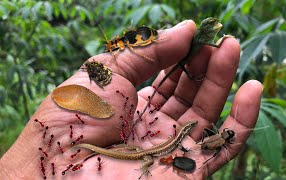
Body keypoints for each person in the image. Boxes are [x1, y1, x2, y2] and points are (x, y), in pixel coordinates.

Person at [0, 20, 262, 179]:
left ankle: (113, 153)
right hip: (146, 154)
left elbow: (178, 142)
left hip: (144, 151)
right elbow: (175, 144)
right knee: (142, 158)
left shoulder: (179, 138)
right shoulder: (178, 139)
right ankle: (122, 157)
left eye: (186, 129)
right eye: (187, 128)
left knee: (138, 153)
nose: (189, 129)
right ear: (183, 132)